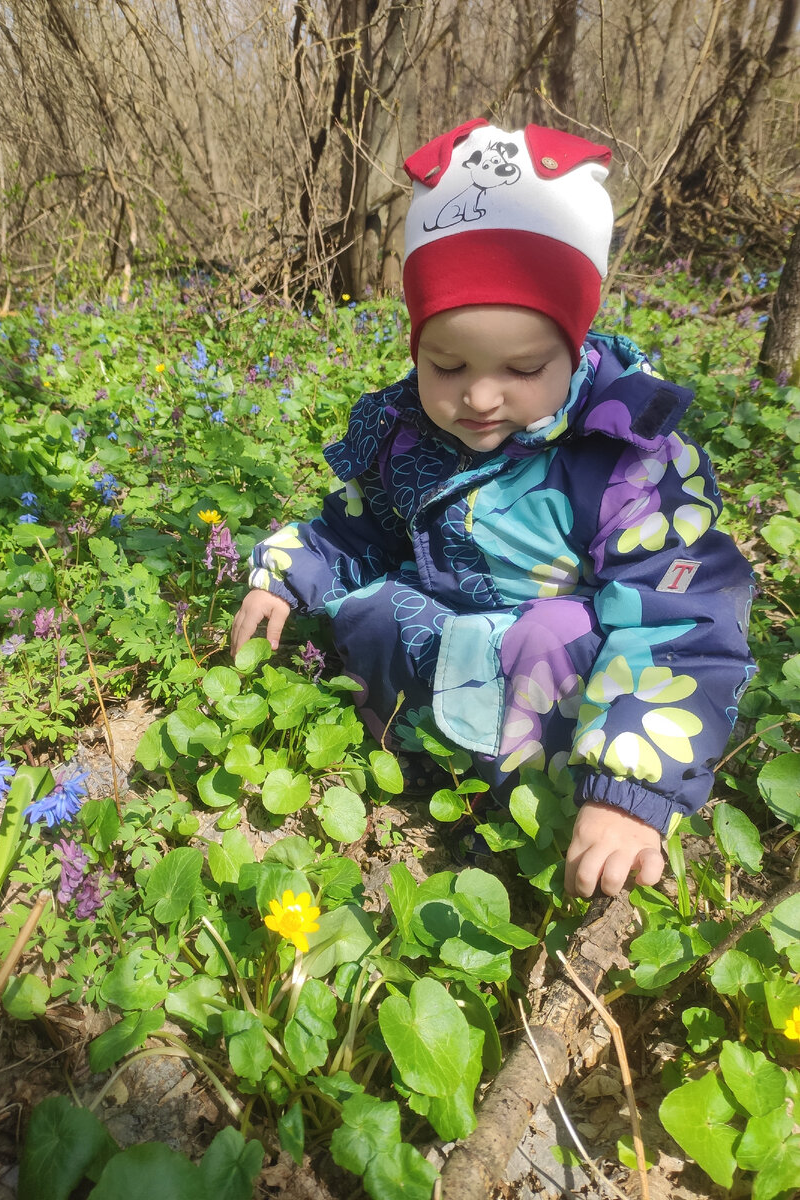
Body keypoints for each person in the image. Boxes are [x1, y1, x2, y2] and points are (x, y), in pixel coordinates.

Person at [231, 119, 756, 898]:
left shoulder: (627, 459)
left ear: (574, 348)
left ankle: (540, 816)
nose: (479, 397)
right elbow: (357, 526)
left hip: (555, 697)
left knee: (553, 629)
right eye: (447, 365)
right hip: (437, 664)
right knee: (373, 608)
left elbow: (681, 619)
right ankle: (415, 764)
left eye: (522, 367)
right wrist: (284, 573)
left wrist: (631, 788)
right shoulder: (410, 431)